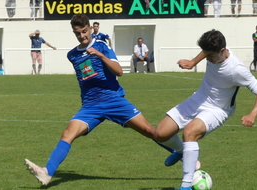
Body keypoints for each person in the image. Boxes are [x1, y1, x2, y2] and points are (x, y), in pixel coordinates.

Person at [24, 14, 177, 186]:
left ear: (90, 28)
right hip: (91, 106)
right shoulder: (72, 55)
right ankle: (47, 172)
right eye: (77, 33)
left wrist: (99, 55)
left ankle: (183, 153)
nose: (82, 36)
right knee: (68, 134)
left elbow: (119, 71)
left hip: (113, 100)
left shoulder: (102, 46)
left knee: (151, 131)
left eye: (84, 31)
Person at [153, 29, 257, 190]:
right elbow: (206, 52)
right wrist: (193, 62)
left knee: (189, 133)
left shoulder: (237, 69)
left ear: (222, 51)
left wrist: (252, 114)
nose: (208, 58)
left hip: (218, 109)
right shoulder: (212, 52)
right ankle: (181, 151)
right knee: (160, 133)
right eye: (206, 54)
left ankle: (186, 185)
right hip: (198, 99)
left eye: (211, 56)